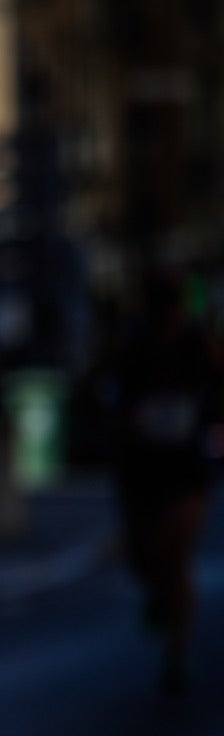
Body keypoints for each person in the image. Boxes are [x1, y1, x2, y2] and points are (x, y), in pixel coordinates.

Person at [111, 270, 224, 696]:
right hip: (144, 467)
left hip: (185, 465)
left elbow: (216, 389)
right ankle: (161, 597)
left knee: (179, 553)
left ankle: (177, 651)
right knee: (146, 554)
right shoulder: (135, 346)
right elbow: (117, 396)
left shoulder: (197, 344)